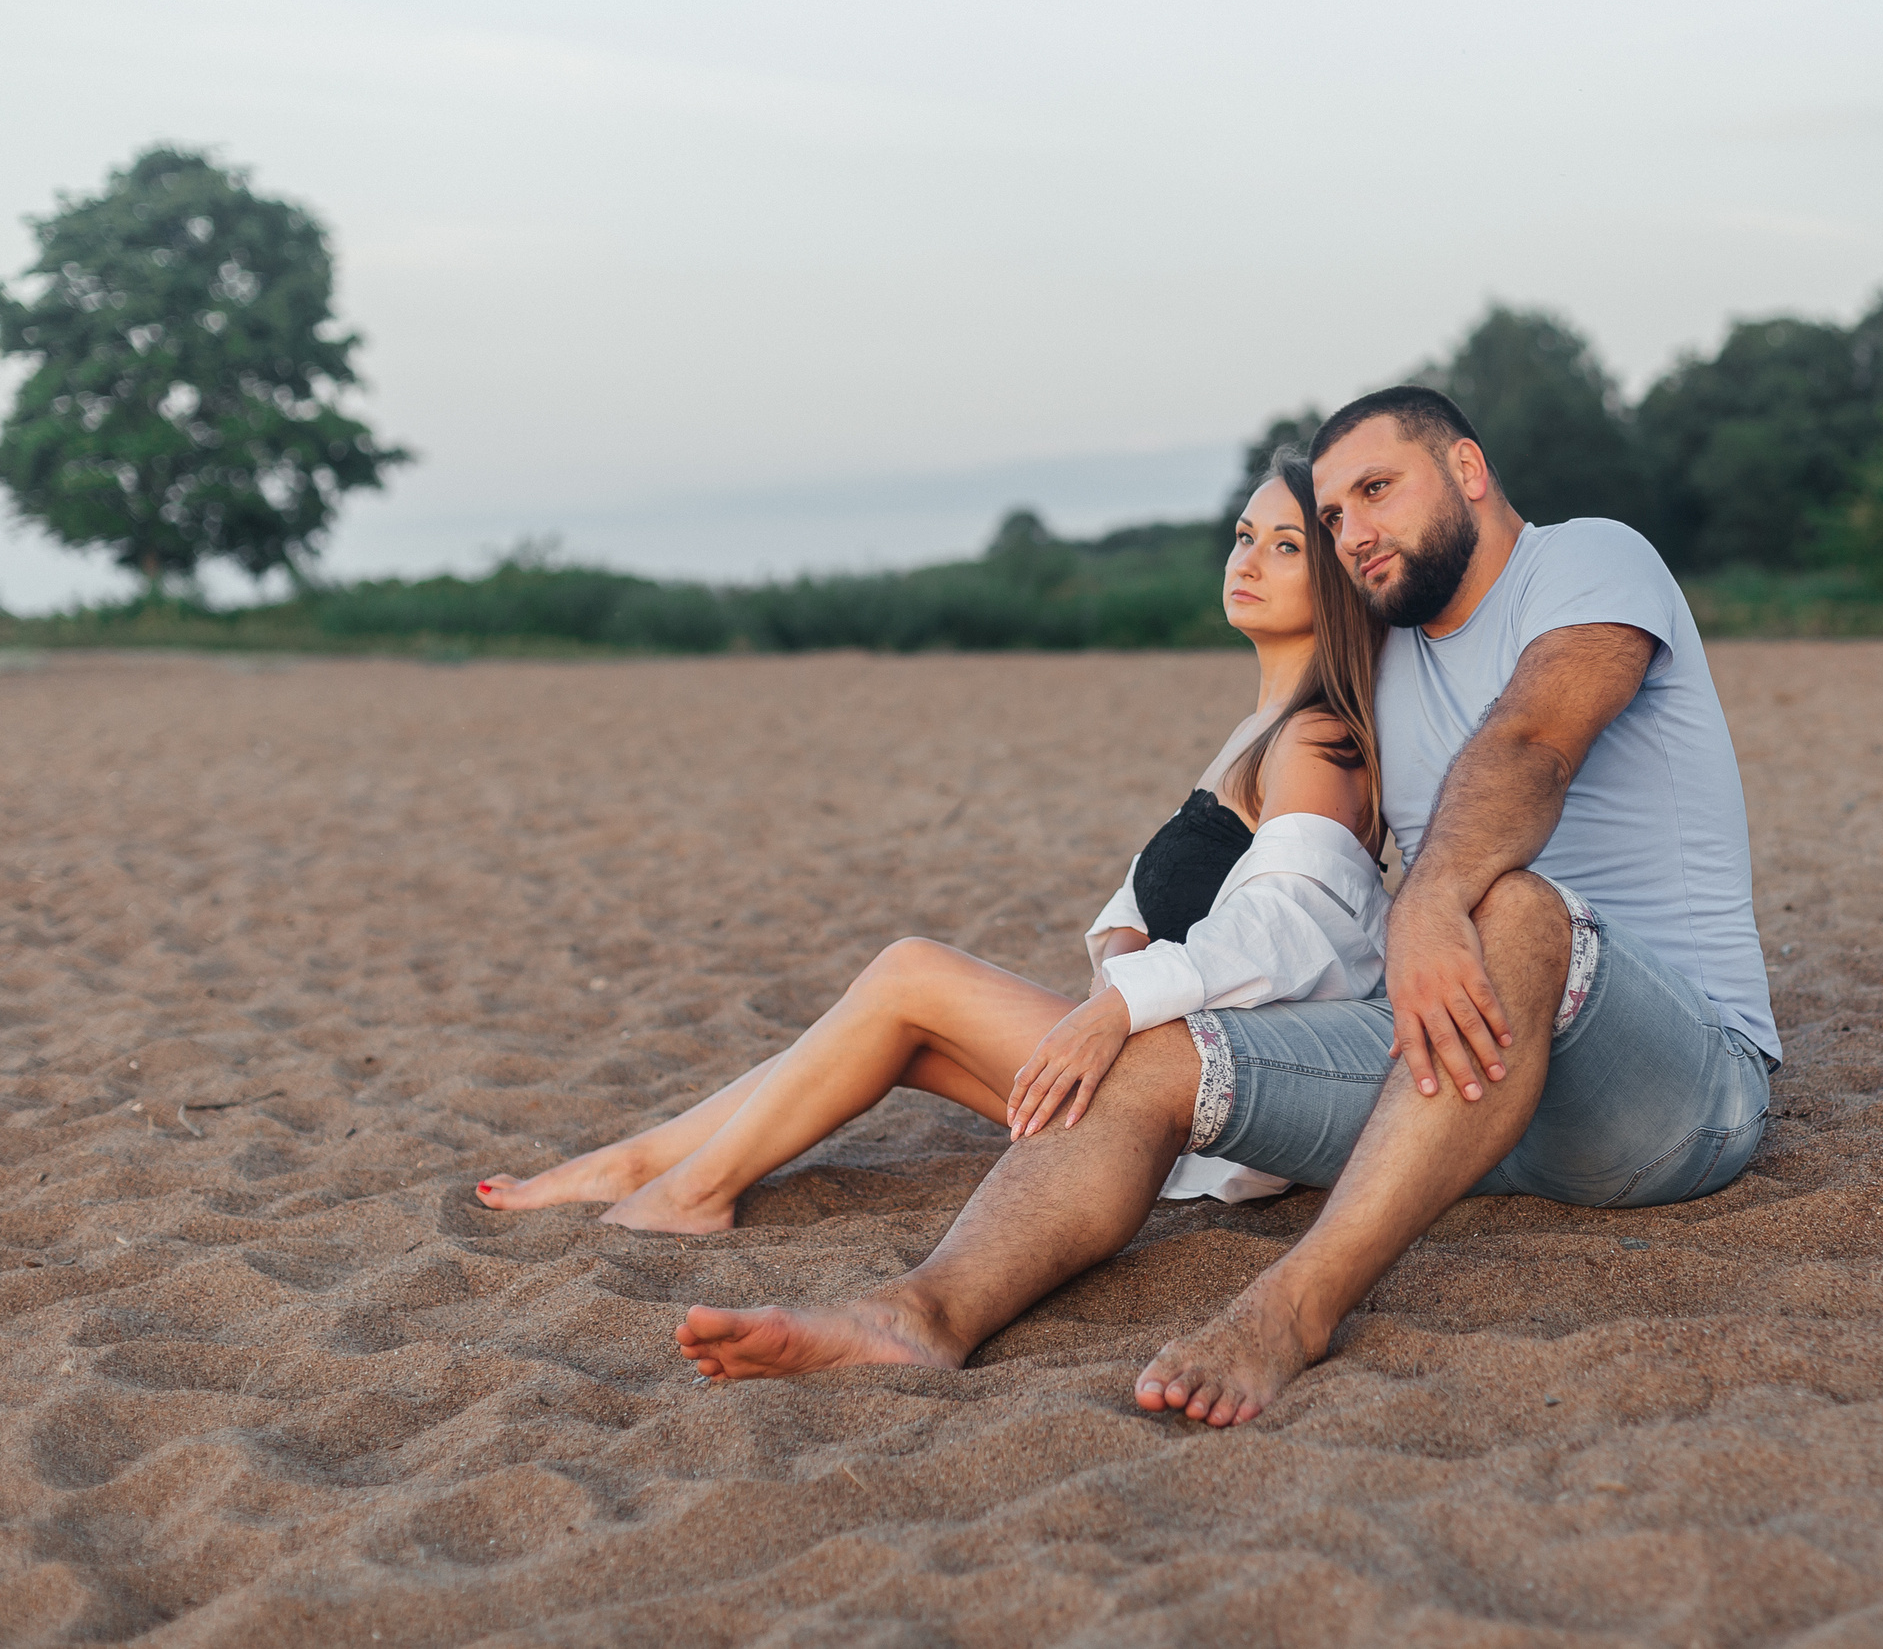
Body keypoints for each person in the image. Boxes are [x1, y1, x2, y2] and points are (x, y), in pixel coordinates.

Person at [672, 386, 1778, 1420]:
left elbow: (1533, 740)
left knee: (1516, 909)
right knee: (1156, 1053)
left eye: (1376, 491)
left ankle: (1288, 1311)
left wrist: (1430, 901)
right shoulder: (1381, 668)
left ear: (1468, 467)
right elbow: (1275, 807)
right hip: (1467, 1102)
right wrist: (1130, 958)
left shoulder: (1588, 562)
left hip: (1676, 1090)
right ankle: (914, 1317)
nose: (1351, 529)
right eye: (1332, 514)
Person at [474, 457, 1390, 1232]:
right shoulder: (1261, 727)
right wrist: (1123, 947)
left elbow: (1293, 929)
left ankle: (695, 1190)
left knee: (910, 971)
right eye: (1242, 535)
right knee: (896, 1036)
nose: (1248, 561)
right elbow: (1183, 887)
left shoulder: (1317, 740)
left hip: (1219, 1094)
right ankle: (636, 1162)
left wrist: (1117, 1007)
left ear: (1340, 579)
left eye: (1286, 547)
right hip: (1164, 1055)